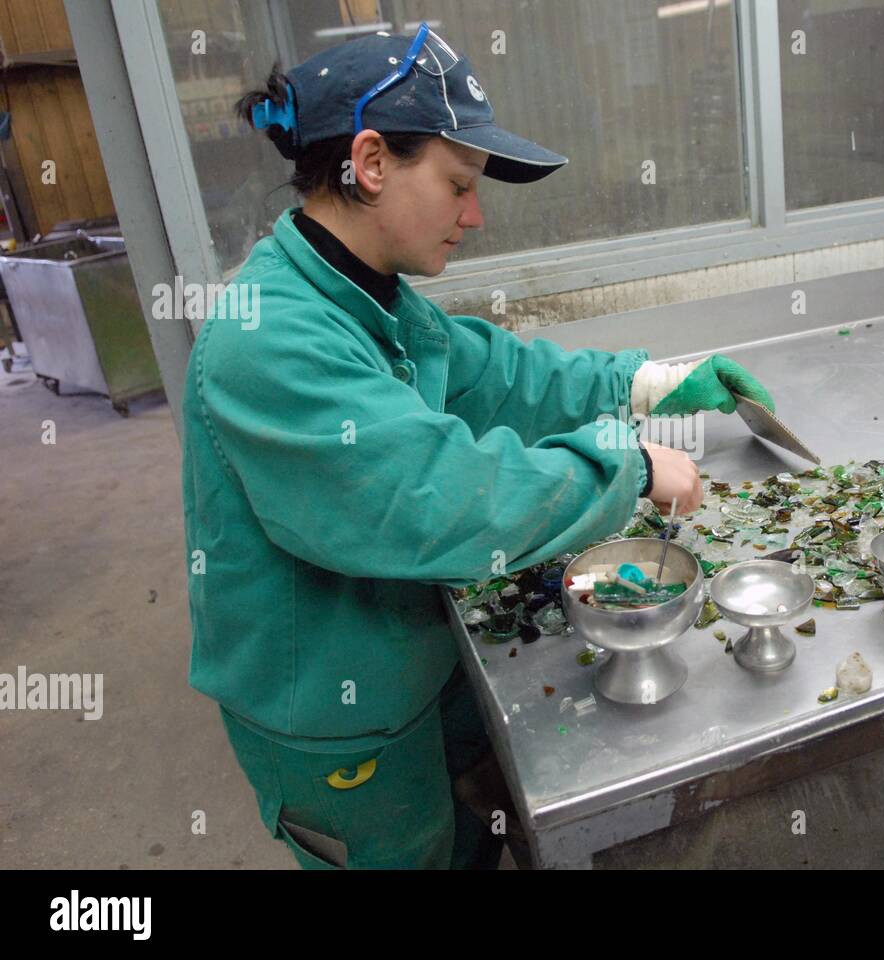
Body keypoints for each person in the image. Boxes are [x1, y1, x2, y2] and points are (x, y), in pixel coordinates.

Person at [181, 24, 774, 869]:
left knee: (474, 825)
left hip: (412, 649)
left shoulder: (363, 290)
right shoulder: (270, 337)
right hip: (334, 712)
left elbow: (492, 372)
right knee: (411, 855)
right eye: (458, 184)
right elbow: (429, 495)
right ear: (373, 161)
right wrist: (631, 470)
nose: (476, 213)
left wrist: (648, 383)